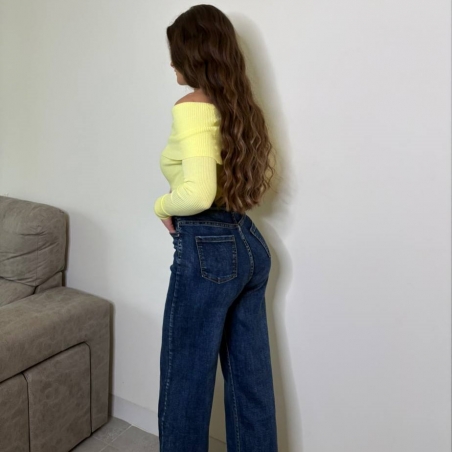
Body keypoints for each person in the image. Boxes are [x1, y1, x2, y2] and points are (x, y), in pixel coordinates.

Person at [153, 5, 278, 451]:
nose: (171, 62)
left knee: (185, 383)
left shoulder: (192, 108)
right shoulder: (238, 107)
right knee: (250, 386)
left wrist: (160, 205)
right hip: (247, 242)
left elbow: (198, 193)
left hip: (207, 248)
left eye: (175, 52)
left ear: (193, 54)